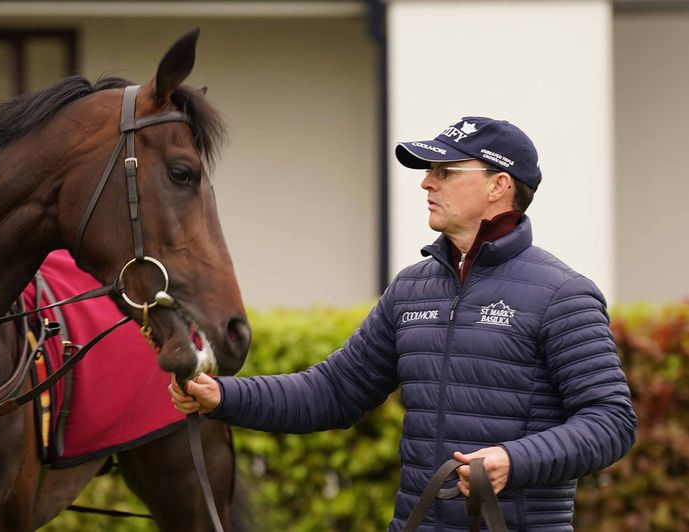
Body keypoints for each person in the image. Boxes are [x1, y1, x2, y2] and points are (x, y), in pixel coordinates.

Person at [169, 116, 637, 531]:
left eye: (445, 172)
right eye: (430, 171)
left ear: (498, 186)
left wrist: (514, 460)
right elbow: (333, 392)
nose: (427, 183)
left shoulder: (562, 294)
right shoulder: (412, 288)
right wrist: (222, 396)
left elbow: (611, 421)